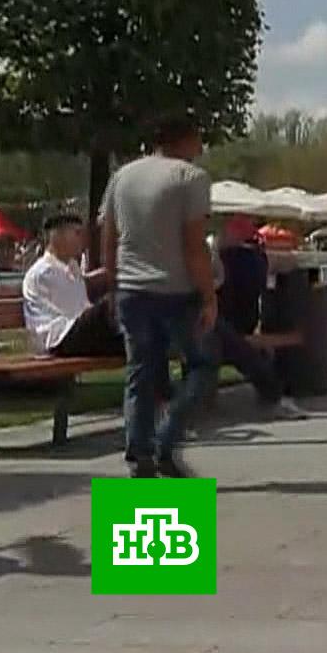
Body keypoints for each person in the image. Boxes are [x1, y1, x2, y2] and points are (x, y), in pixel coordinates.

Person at [101, 114, 218, 479]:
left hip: (132, 291)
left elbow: (108, 234)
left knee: (140, 372)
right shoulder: (190, 178)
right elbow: (194, 245)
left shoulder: (122, 176)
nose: (200, 149)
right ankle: (166, 439)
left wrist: (112, 282)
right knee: (202, 366)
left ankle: (139, 456)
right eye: (199, 140)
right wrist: (209, 295)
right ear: (184, 139)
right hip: (175, 290)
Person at [213, 217, 308, 420]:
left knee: (233, 344)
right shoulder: (256, 260)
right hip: (234, 328)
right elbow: (291, 262)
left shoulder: (218, 259)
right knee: (242, 347)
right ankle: (274, 397)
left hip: (213, 325)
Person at [23, 213, 121, 358]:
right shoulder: (44, 272)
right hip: (57, 339)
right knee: (116, 303)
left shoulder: (71, 268)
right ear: (58, 237)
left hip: (74, 333)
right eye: (77, 233)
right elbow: (76, 312)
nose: (83, 239)